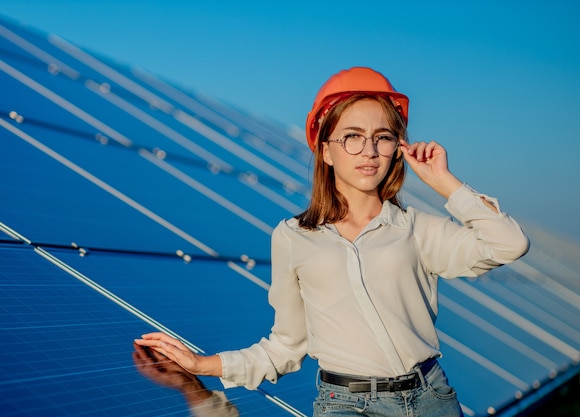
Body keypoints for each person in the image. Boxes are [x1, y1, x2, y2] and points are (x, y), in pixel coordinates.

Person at [135, 67, 530, 416]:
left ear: (397, 148)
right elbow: (286, 347)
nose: (370, 151)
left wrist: (443, 181)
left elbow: (508, 243)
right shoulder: (293, 237)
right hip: (343, 405)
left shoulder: (418, 229)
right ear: (325, 149)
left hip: (430, 401)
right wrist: (201, 365)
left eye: (384, 137)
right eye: (352, 137)